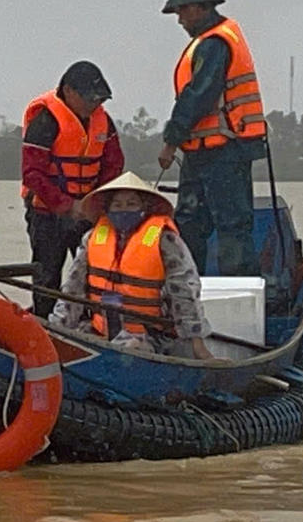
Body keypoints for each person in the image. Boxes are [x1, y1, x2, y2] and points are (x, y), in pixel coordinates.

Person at [156, 0, 267, 277]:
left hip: (225, 151)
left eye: (181, 12)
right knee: (190, 223)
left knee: (231, 226)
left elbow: (198, 96)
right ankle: (189, 294)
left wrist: (170, 141)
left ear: (197, 8)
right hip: (202, 152)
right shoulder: (208, 42)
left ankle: (238, 299)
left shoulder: (215, 44)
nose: (179, 20)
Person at [49, 172, 213, 359]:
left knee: (130, 348)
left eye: (131, 204)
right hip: (98, 331)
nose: (124, 210)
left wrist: (197, 345)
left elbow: (184, 291)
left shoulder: (165, 240)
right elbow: (72, 289)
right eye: (117, 205)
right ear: (107, 208)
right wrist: (56, 330)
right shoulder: (92, 238)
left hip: (150, 337)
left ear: (145, 207)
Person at [20, 60, 124, 315]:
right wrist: (66, 205)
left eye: (99, 100)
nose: (95, 105)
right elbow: (32, 174)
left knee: (96, 272)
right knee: (47, 276)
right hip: (47, 213)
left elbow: (114, 164)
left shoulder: (103, 122)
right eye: (90, 98)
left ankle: (94, 323)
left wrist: (96, 201)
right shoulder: (45, 121)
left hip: (88, 213)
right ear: (69, 91)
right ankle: (44, 325)